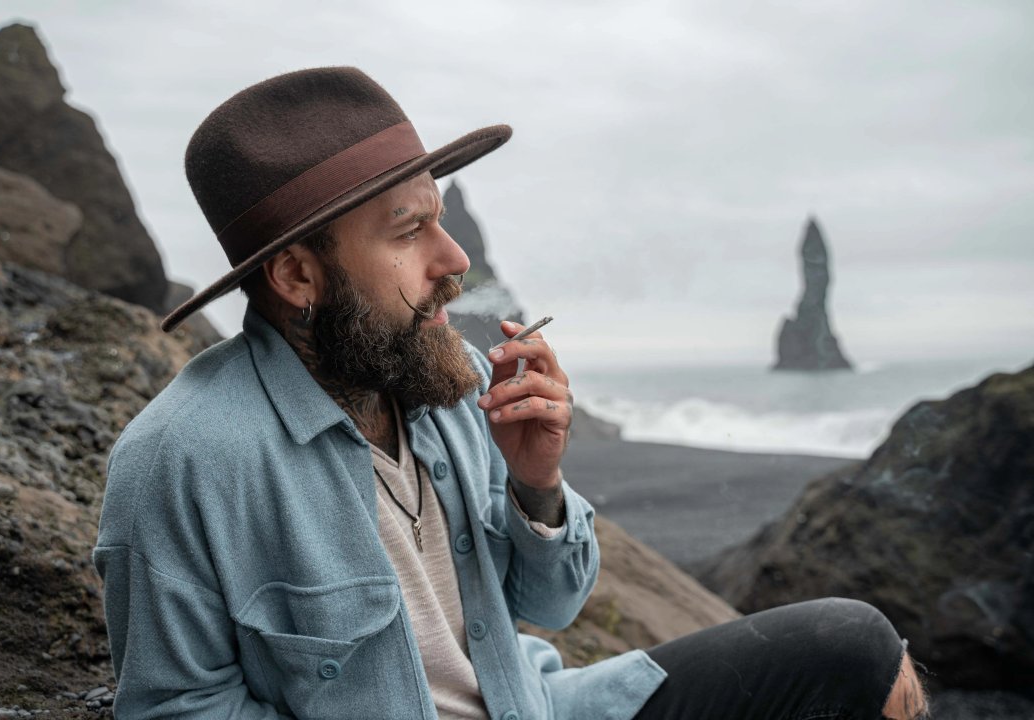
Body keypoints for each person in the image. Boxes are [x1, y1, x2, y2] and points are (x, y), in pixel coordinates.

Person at [93, 67, 929, 719]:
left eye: (441, 217)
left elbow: (553, 605)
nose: (454, 259)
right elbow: (177, 706)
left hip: (541, 704)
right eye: (409, 230)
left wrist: (538, 486)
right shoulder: (181, 460)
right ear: (297, 274)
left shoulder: (441, 377)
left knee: (858, 646)